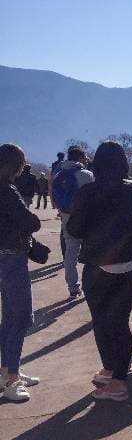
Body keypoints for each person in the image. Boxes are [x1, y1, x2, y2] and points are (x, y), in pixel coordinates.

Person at [66, 141, 132, 402]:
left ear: (96, 163)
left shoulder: (87, 193)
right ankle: (116, 376)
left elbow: (74, 230)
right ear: (123, 163)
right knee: (120, 320)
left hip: (99, 266)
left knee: (100, 319)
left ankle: (113, 374)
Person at [0, 144, 42, 401]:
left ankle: (6, 370)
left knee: (9, 316)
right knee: (21, 317)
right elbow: (30, 222)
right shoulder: (7, 190)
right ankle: (12, 379)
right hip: (11, 257)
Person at [52, 147, 94, 298]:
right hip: (87, 220)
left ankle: (73, 288)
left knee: (70, 254)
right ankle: (92, 285)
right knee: (93, 253)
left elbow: (55, 197)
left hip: (67, 218)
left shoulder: (58, 175)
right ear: (81, 158)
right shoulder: (86, 175)